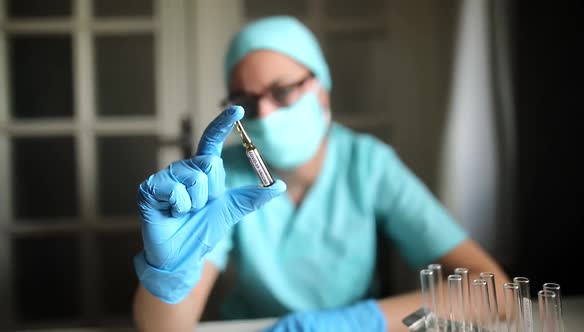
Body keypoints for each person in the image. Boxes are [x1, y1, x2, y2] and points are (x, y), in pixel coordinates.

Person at [132, 16, 509, 332]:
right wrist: (170, 273)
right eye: (245, 101)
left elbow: (494, 291)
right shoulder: (223, 174)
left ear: (322, 92)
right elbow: (161, 329)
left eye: (281, 92)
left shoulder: (368, 163)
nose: (262, 112)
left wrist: (361, 322)